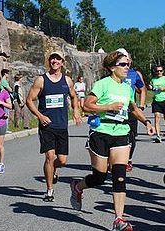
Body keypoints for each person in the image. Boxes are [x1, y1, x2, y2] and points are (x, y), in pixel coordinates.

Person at [69, 51, 155, 231]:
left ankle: (118, 220)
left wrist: (146, 122)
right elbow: (87, 105)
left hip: (122, 132)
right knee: (99, 177)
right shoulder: (102, 85)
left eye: (128, 64)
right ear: (111, 67)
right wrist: (108, 106)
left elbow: (132, 108)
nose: (127, 68)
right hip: (101, 132)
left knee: (120, 176)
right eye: (123, 65)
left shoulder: (126, 87)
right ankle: (78, 187)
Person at [26, 51, 82, 202]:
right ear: (49, 61)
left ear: (62, 62)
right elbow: (29, 100)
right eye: (52, 59)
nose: (55, 61)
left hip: (62, 125)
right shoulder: (41, 80)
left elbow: (73, 96)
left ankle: (54, 170)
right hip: (47, 126)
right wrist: (40, 116)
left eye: (58, 59)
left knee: (62, 161)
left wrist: (76, 111)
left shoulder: (67, 80)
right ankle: (49, 190)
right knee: (50, 157)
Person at [116, 48, 147, 172]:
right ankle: (115, 160)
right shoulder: (112, 73)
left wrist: (141, 104)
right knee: (117, 135)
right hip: (116, 110)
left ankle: (128, 159)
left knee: (132, 137)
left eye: (126, 58)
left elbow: (143, 89)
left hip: (131, 110)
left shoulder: (135, 74)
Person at [148, 65, 165, 143]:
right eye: (157, 71)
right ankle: (158, 136)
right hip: (156, 101)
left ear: (163, 71)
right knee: (157, 116)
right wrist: (150, 86)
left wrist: (163, 88)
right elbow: (150, 86)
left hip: (164, 100)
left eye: (160, 71)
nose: (159, 72)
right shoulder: (153, 79)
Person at [0, 68, 13, 133]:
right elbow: (10, 89)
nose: (8, 75)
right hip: (5, 99)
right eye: (8, 73)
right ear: (5, 74)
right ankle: (5, 129)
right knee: (6, 113)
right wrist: (12, 90)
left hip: (3, 98)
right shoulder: (3, 81)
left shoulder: (3, 81)